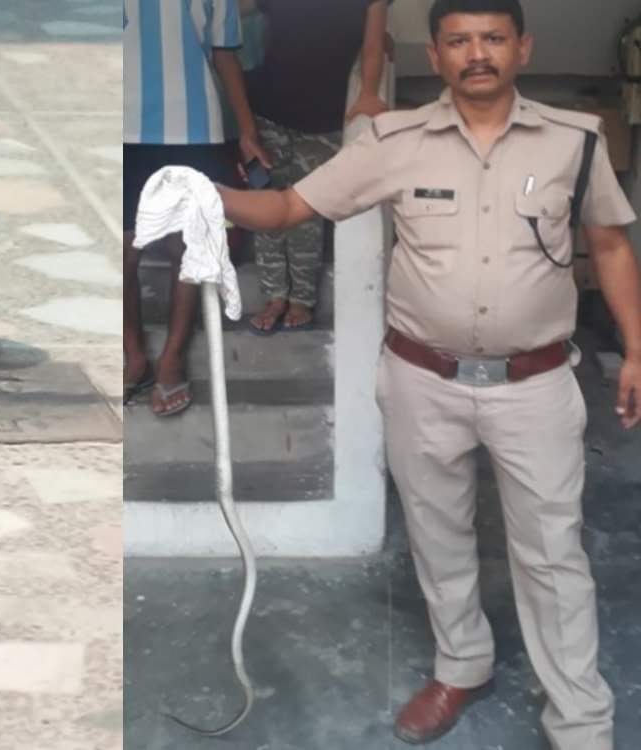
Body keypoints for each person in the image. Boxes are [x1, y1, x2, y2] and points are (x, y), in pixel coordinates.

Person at [215, 0, 641, 747]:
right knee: (437, 537)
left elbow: (607, 247)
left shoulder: (575, 142)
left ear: (523, 48)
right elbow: (287, 207)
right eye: (459, 41)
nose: (478, 53)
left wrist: (636, 350)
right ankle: (462, 664)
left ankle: (580, 718)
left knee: (553, 553)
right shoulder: (394, 141)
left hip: (536, 386)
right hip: (422, 382)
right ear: (437, 56)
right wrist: (198, 193)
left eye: (493, 38)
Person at [123, 0, 269, 417]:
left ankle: (172, 356)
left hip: (194, 126)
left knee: (185, 250)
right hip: (117, 125)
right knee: (120, 254)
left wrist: (246, 130)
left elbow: (225, 54)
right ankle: (133, 354)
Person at [241, 0, 391, 334]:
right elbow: (235, 13)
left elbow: (373, 45)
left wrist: (368, 92)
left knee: (307, 212)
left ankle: (301, 300)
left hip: (324, 117)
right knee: (266, 199)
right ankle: (274, 295)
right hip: (268, 111)